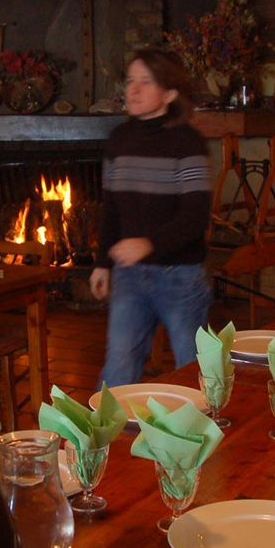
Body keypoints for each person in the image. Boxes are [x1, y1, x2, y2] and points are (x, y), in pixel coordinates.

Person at [91, 48, 212, 387]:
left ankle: (207, 437)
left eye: (146, 82)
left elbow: (196, 216)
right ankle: (102, 439)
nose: (134, 90)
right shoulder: (119, 140)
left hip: (181, 278)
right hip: (130, 276)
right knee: (119, 366)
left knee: (194, 371)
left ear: (170, 93)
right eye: (131, 81)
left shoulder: (187, 142)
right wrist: (102, 263)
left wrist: (148, 244)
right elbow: (111, 208)